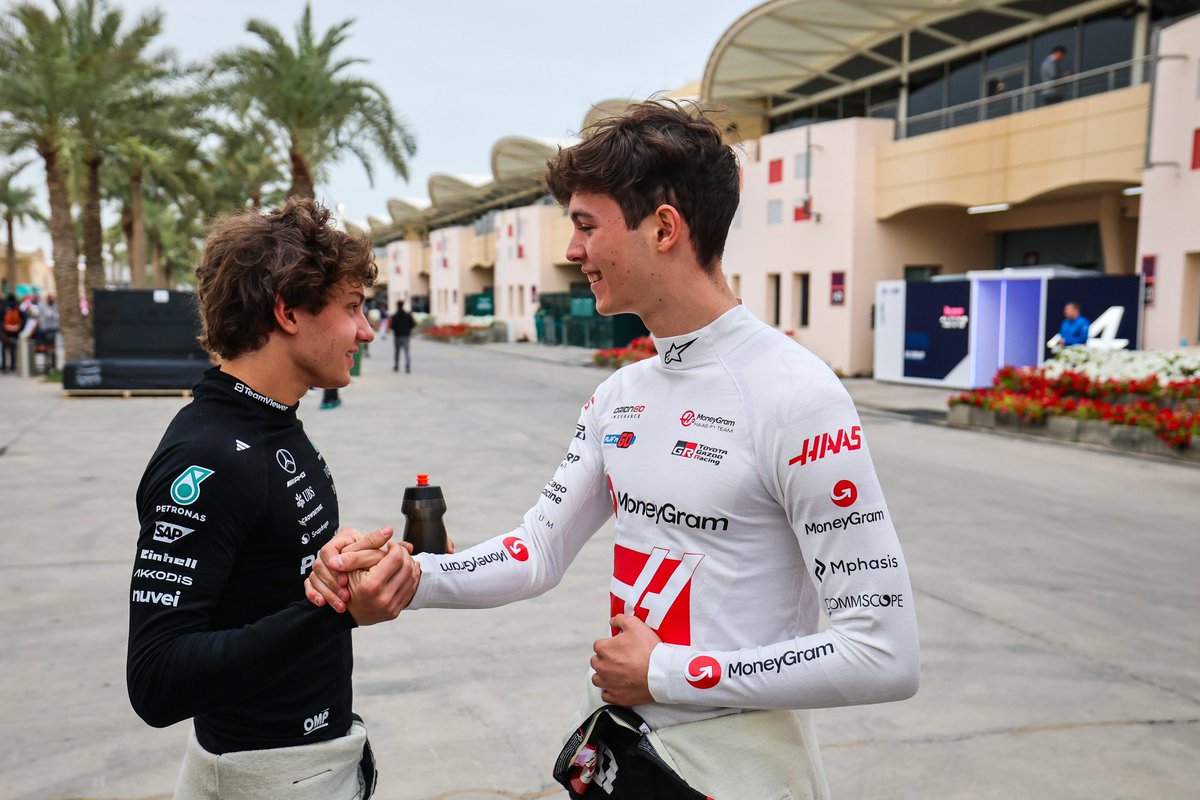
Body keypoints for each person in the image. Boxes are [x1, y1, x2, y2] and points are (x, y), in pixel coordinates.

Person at [308, 101, 920, 799]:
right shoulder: (621, 394)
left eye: (586, 226)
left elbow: (884, 653)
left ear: (664, 228)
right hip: (625, 751)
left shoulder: (797, 395)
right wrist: (411, 576)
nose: (573, 252)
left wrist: (668, 674)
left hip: (740, 760)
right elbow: (536, 549)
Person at [126, 198, 420, 800]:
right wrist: (335, 612)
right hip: (259, 776)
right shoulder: (206, 457)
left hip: (314, 758)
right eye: (352, 308)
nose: (367, 330)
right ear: (287, 311)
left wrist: (326, 564)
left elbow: (262, 574)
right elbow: (156, 679)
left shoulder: (273, 421)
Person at [389, 299, 415, 372]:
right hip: (406, 336)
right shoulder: (408, 315)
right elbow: (413, 324)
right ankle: (407, 366)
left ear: (397, 306)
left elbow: (392, 326)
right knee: (407, 351)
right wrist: (408, 329)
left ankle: (396, 365)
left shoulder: (395, 316)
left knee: (397, 351)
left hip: (397, 336)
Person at [36, 293, 59, 371]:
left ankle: (53, 366)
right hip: (46, 330)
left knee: (53, 350)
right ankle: (48, 366)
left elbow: (57, 318)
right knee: (47, 350)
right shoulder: (43, 306)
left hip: (54, 330)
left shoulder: (56, 306)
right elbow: (43, 318)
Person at [1, 294, 24, 373]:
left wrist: (5, 327)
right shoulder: (17, 308)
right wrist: (18, 328)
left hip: (5, 333)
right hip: (15, 332)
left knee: (4, 349)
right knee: (13, 349)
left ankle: (4, 366)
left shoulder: (4, 308)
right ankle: (13, 366)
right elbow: (23, 319)